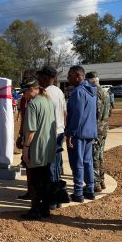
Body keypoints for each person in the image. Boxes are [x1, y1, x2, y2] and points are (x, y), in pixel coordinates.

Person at [20, 78, 57, 220]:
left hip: (37, 147)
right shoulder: (48, 101)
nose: (24, 95)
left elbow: (31, 130)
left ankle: (35, 210)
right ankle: (45, 208)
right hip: (48, 146)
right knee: (45, 178)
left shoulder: (33, 105)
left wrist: (25, 149)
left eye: (24, 92)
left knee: (35, 180)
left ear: (31, 90)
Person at [65, 65, 97, 203]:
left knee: (77, 162)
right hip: (90, 131)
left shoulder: (78, 92)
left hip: (78, 133)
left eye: (70, 75)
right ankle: (90, 189)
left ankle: (78, 192)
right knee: (87, 161)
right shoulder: (91, 91)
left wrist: (70, 133)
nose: (68, 78)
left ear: (78, 76)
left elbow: (76, 115)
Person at [38, 66, 68, 206]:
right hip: (60, 131)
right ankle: (58, 197)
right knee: (56, 166)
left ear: (45, 77)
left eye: (40, 76)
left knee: (48, 168)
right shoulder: (59, 91)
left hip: (50, 133)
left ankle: (51, 199)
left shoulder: (45, 92)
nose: (38, 79)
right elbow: (65, 113)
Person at [85, 71, 111, 193]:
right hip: (104, 128)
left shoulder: (96, 93)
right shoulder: (106, 93)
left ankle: (96, 183)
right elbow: (109, 111)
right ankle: (101, 180)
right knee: (100, 155)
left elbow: (97, 112)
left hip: (97, 129)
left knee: (94, 156)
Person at [16, 70, 38, 200]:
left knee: (35, 167)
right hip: (26, 133)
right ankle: (30, 191)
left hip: (35, 137)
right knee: (28, 166)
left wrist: (27, 145)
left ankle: (36, 195)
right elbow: (23, 118)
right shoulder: (24, 99)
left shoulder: (38, 100)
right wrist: (20, 135)